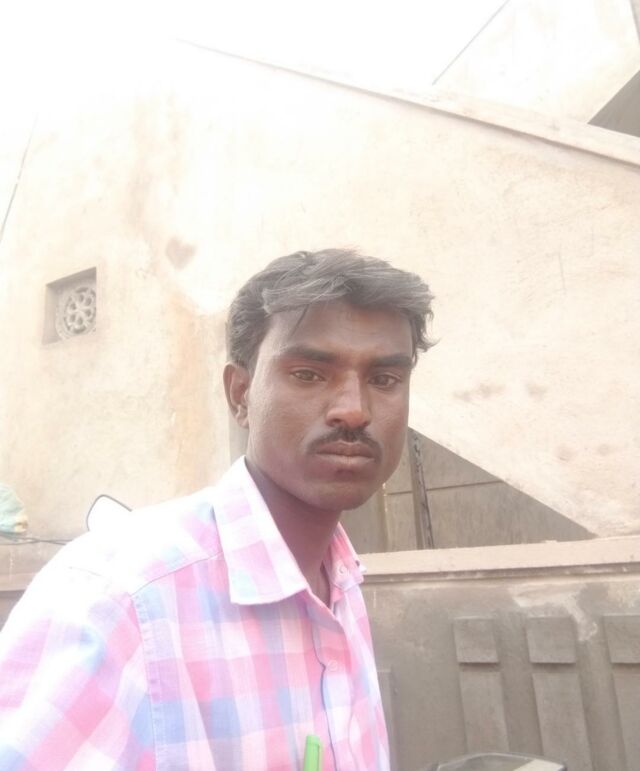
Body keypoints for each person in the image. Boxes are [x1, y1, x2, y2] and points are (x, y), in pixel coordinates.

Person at [0, 248, 433, 770]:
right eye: (309, 374)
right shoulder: (119, 600)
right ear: (241, 395)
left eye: (384, 380)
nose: (354, 410)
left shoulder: (340, 581)